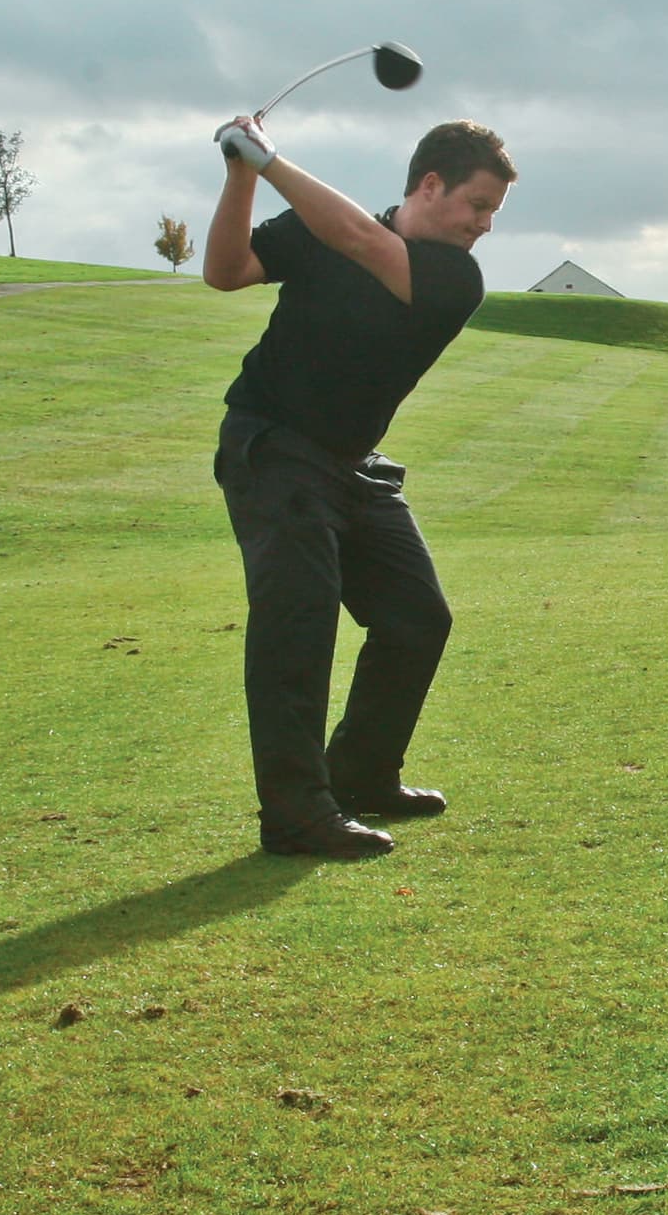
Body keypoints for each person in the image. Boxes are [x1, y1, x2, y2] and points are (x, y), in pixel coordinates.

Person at [201, 112, 514, 859]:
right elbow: (225, 271)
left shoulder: (453, 276)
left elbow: (364, 243)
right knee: (297, 628)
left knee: (416, 618)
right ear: (430, 184)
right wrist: (242, 174)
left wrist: (266, 158)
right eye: (477, 206)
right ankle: (296, 814)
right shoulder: (316, 224)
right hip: (273, 447)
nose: (485, 226)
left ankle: (364, 774)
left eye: (494, 214)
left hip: (352, 462)